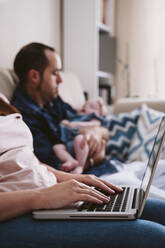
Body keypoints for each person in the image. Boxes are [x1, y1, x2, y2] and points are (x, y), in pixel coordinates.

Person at [1, 99, 165, 247]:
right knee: (153, 235)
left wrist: (76, 179)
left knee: (160, 210)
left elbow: (28, 160)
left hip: (53, 196)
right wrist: (43, 196)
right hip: (17, 213)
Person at [11, 42, 113, 175]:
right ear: (35, 76)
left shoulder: (52, 100)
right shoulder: (23, 120)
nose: (60, 79)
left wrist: (96, 131)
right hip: (85, 178)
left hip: (103, 167)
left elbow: (100, 127)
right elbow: (57, 169)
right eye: (55, 72)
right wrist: (97, 158)